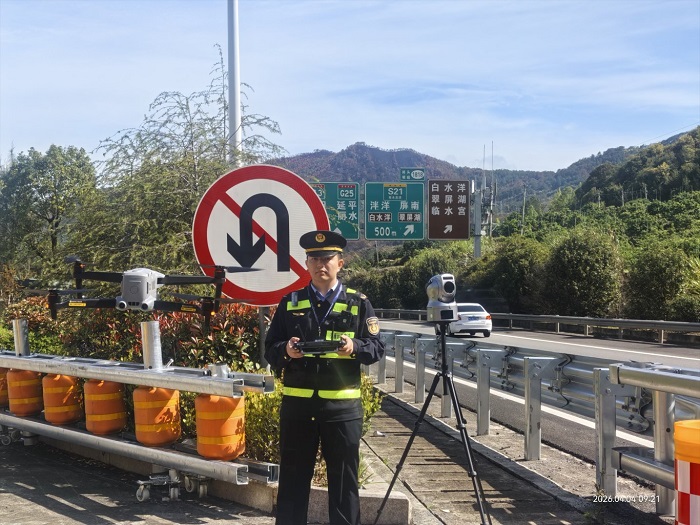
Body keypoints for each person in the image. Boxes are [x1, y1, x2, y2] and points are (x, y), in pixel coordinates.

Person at [264, 229, 385, 525]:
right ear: (306, 264)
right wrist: (286, 350)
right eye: (315, 259)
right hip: (298, 409)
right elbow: (270, 348)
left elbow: (377, 348)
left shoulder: (358, 303)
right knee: (292, 482)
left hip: (341, 410)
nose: (321, 264)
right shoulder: (290, 302)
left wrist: (354, 346)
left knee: (344, 484)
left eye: (327, 258)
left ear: (340, 263)